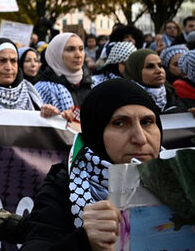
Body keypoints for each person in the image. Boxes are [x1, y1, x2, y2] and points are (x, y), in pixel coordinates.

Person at [22, 79, 163, 250]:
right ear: (96, 132)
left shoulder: (188, 177)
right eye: (119, 123)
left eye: (147, 122)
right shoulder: (62, 188)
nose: (140, 139)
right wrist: (84, 241)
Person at [34, 33, 92, 113]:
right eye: (70, 49)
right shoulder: (42, 89)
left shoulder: (92, 83)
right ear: (56, 54)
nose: (78, 55)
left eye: (81, 49)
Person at [123, 49, 186, 114]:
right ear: (135, 71)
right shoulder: (128, 100)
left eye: (160, 65)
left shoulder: (171, 93)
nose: (159, 71)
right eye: (150, 67)